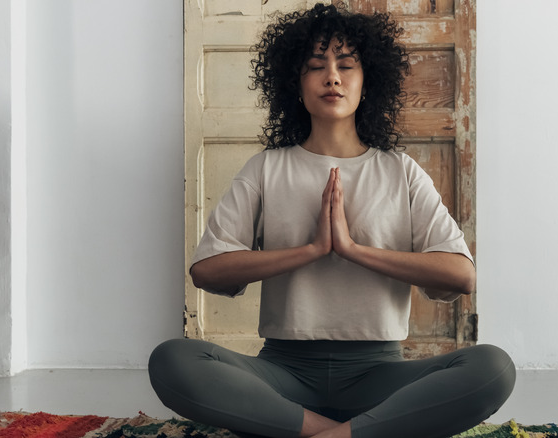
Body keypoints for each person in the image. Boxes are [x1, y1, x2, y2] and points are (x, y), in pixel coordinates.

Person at [149, 4, 515, 438]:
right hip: (282, 376)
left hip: (377, 376)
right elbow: (207, 270)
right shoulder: (267, 168)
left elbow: (460, 274)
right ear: (295, 83)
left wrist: (353, 250)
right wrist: (311, 251)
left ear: (367, 80)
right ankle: (346, 432)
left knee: (493, 367)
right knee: (171, 360)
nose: (333, 77)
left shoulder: (400, 171)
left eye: (346, 65)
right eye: (316, 66)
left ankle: (311, 432)